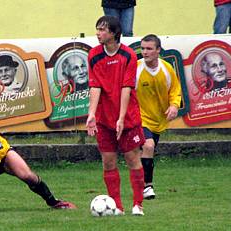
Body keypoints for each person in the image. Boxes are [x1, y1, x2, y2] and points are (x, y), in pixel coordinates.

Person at [86, 16, 145, 216]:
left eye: (102, 30)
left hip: (127, 117)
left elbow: (126, 87)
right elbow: (95, 86)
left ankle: (138, 204)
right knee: (108, 161)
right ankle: (117, 207)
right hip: (104, 119)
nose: (98, 33)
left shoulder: (128, 55)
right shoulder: (93, 55)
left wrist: (121, 118)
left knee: (132, 158)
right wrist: (91, 114)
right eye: (97, 29)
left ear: (113, 33)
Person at [136, 34, 181, 200]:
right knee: (148, 146)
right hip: (139, 117)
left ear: (158, 50)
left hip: (158, 120)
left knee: (147, 151)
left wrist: (174, 106)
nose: (145, 52)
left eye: (149, 49)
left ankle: (139, 181)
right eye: (143, 49)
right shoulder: (136, 68)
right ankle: (147, 187)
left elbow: (175, 91)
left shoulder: (167, 69)